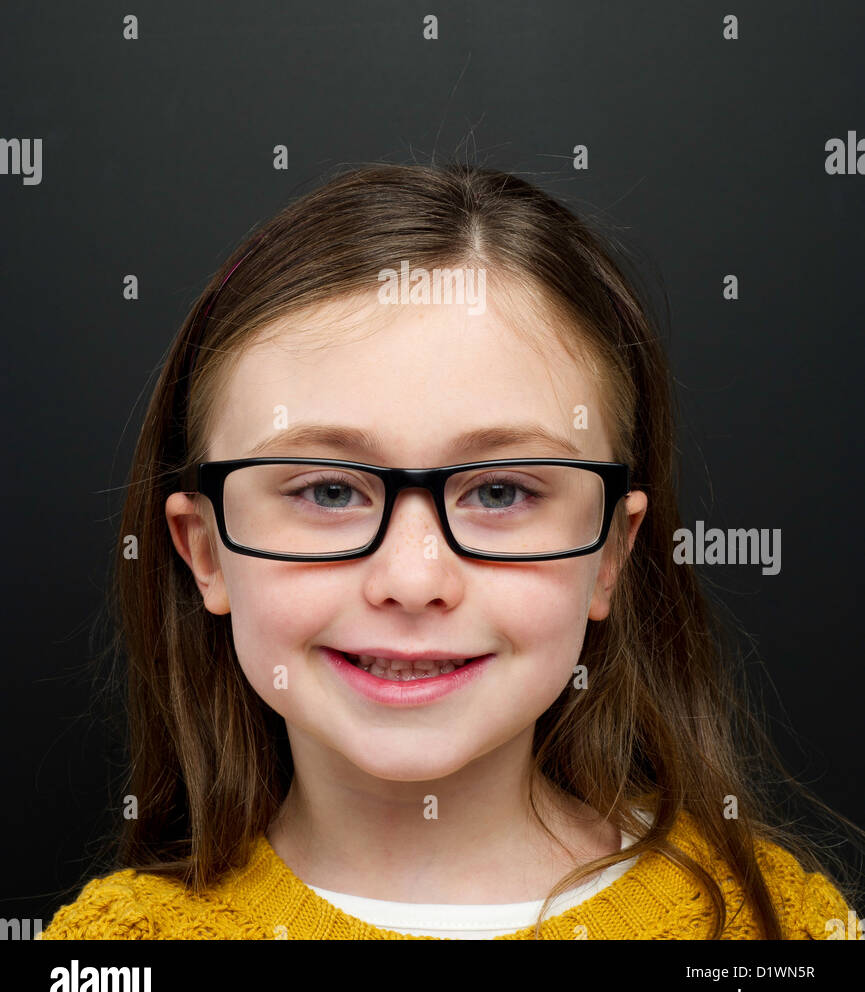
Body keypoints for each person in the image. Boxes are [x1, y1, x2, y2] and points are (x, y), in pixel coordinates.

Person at [42, 163, 862, 940]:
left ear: (610, 553)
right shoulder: (117, 950)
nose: (412, 579)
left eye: (500, 492)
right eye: (328, 491)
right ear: (205, 552)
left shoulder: (774, 926)